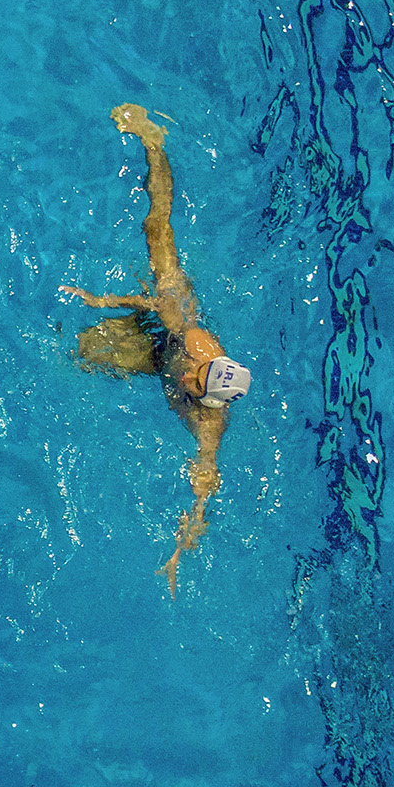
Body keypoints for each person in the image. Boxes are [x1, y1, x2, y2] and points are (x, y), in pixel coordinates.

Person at [60, 104, 252, 595]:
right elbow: (158, 302)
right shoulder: (195, 342)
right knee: (157, 231)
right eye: (198, 369)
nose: (190, 375)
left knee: (80, 352)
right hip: (163, 335)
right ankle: (153, 141)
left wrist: (178, 552)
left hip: (152, 359)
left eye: (197, 384)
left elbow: (204, 489)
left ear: (210, 400)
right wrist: (104, 301)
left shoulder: (209, 425)